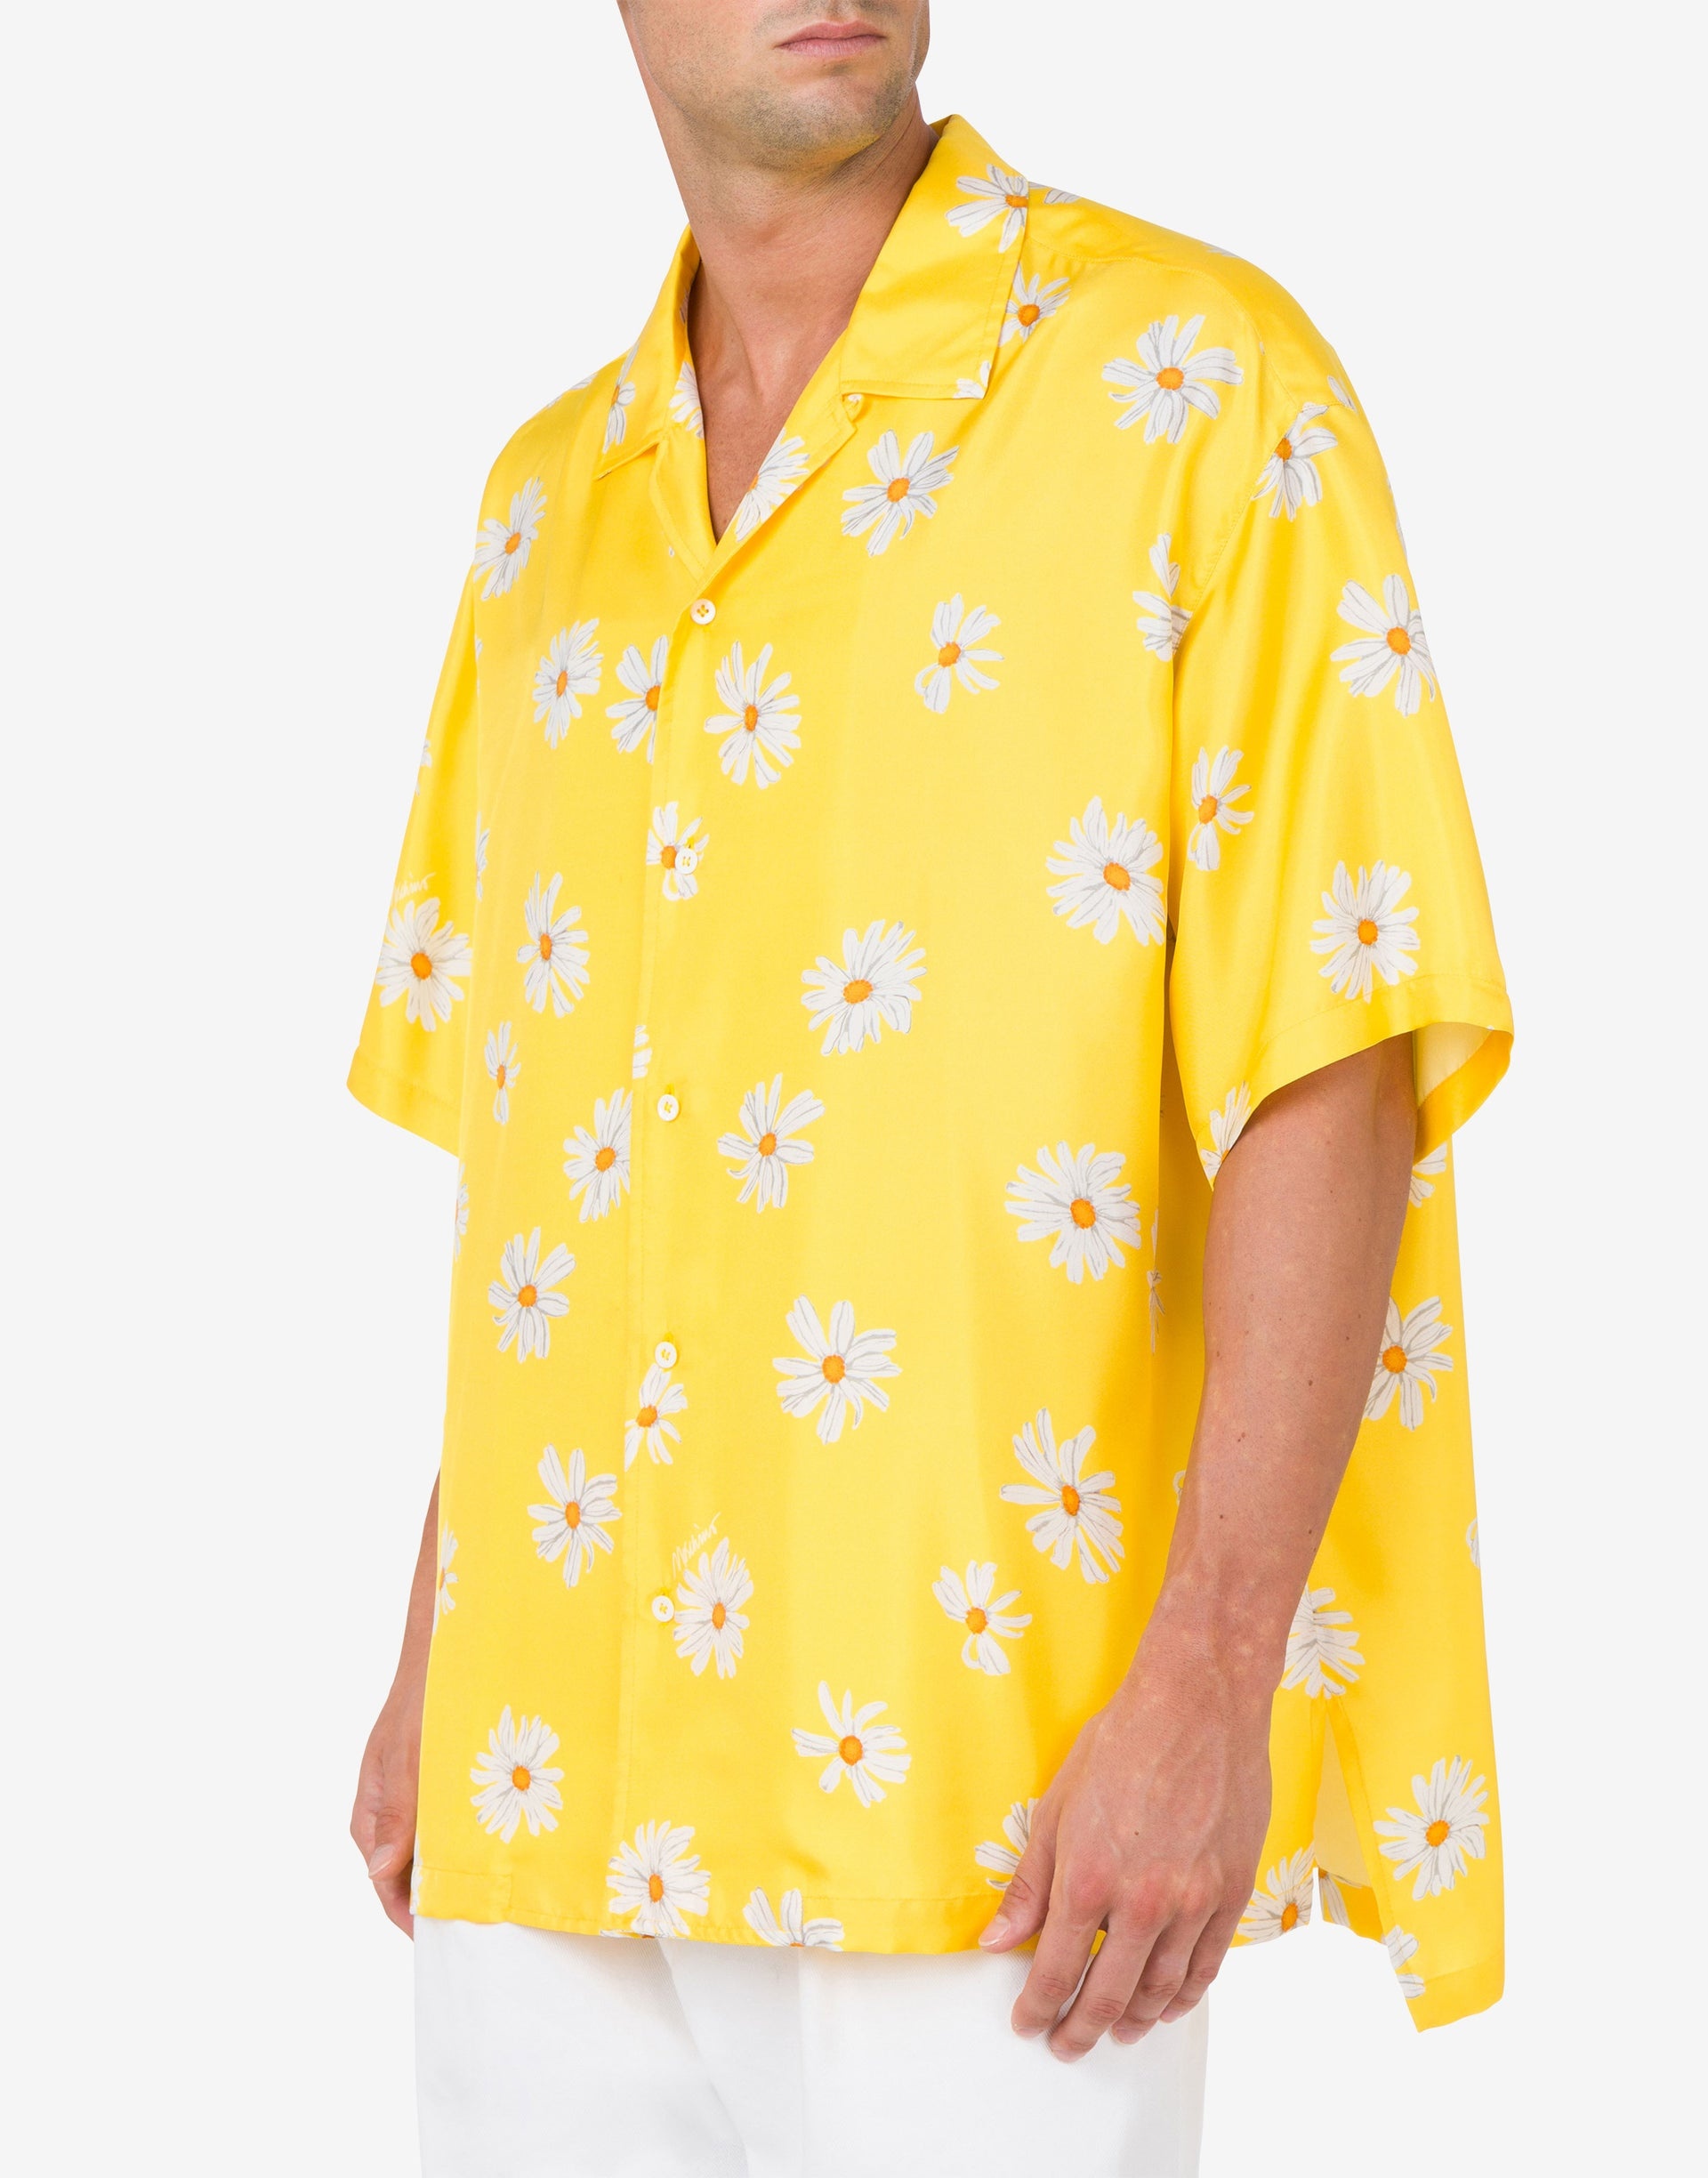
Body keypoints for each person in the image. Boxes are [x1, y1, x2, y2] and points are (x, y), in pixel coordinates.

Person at [346, 4, 1512, 2171]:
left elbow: (1333, 1054)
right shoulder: (543, 508)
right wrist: (442, 1637)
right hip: (547, 1781)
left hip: (989, 1803)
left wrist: (1212, 1673)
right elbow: (552, 1147)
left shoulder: (1196, 385)